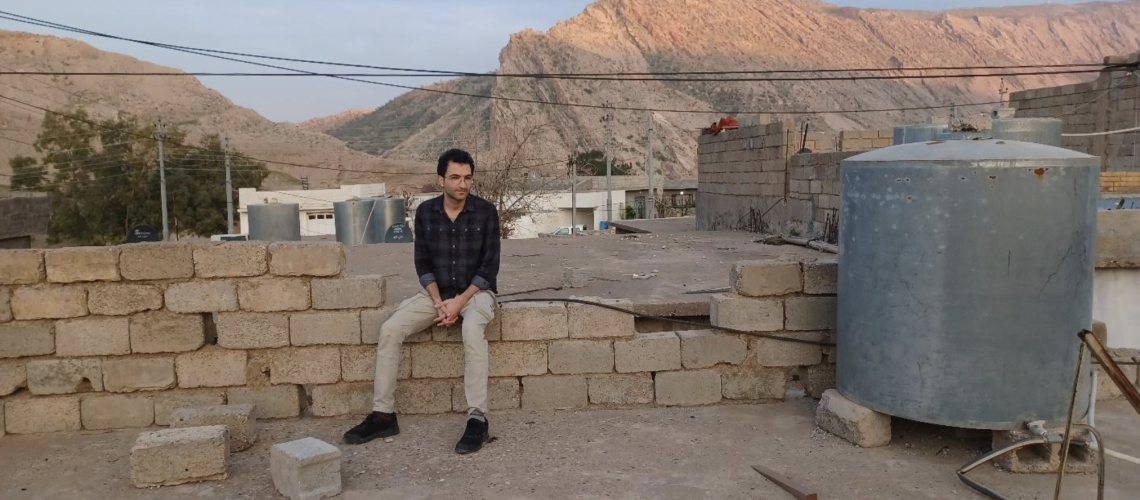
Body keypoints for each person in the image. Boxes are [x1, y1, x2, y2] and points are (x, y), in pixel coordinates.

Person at [344, 148, 501, 454]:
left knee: (471, 331)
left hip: (477, 294)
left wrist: (459, 303)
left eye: (468, 178)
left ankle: (477, 420)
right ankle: (383, 415)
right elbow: (423, 265)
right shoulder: (426, 213)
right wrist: (441, 301)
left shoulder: (486, 211)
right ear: (440, 178)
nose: (462, 184)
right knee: (390, 329)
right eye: (455, 177)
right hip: (436, 295)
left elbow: (488, 268)